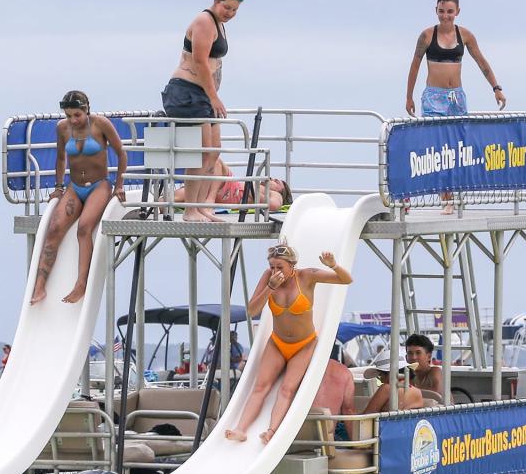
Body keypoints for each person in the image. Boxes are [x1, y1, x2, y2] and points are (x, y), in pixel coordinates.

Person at [225, 240, 351, 443]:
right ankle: (240, 429)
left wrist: (333, 265)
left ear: (292, 266)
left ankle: (271, 431)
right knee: (260, 387)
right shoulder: (269, 278)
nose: (275, 271)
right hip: (277, 342)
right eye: (272, 267)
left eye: (280, 267)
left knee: (286, 389)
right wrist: (269, 288)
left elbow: (346, 280)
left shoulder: (307, 276)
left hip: (304, 344)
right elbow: (252, 311)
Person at [405, 0, 506, 214]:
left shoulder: (466, 36)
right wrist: (409, 96)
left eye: (450, 12)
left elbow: (482, 62)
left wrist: (496, 88)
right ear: (436, 11)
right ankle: (442, 198)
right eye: (441, 11)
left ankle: (453, 194)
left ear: (457, 12)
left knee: (456, 147)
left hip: (456, 97)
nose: (445, 16)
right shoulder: (427, 36)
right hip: (434, 97)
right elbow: (415, 66)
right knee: (436, 147)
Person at [28, 90, 127, 305]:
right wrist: (58, 187)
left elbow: (121, 153)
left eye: (77, 115)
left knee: (84, 228)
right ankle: (40, 286)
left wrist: (119, 185)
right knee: (54, 229)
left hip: (99, 185)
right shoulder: (63, 129)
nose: (73, 120)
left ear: (86, 110)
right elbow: (61, 158)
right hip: (75, 188)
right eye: (69, 115)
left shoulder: (100, 124)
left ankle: (81, 283)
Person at [162, 0, 245, 222]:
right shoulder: (204, 21)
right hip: (187, 92)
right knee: (199, 153)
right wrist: (214, 97)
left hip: (203, 96)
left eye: (234, 11)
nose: (229, 14)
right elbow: (199, 61)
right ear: (216, 1)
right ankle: (190, 209)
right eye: (226, 8)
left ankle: (199, 206)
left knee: (212, 151)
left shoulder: (218, 23)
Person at [173, 158, 292, 212]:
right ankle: (163, 203)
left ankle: (210, 199)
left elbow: (273, 206)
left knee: (217, 162)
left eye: (276, 181)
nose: (271, 179)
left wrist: (251, 191)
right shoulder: (259, 186)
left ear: (282, 190)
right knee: (190, 191)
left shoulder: (275, 194)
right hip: (228, 187)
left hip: (232, 193)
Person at [362, 348, 425, 414]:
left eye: (380, 375)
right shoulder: (418, 392)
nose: (381, 379)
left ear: (389, 373)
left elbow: (367, 414)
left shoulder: (387, 388)